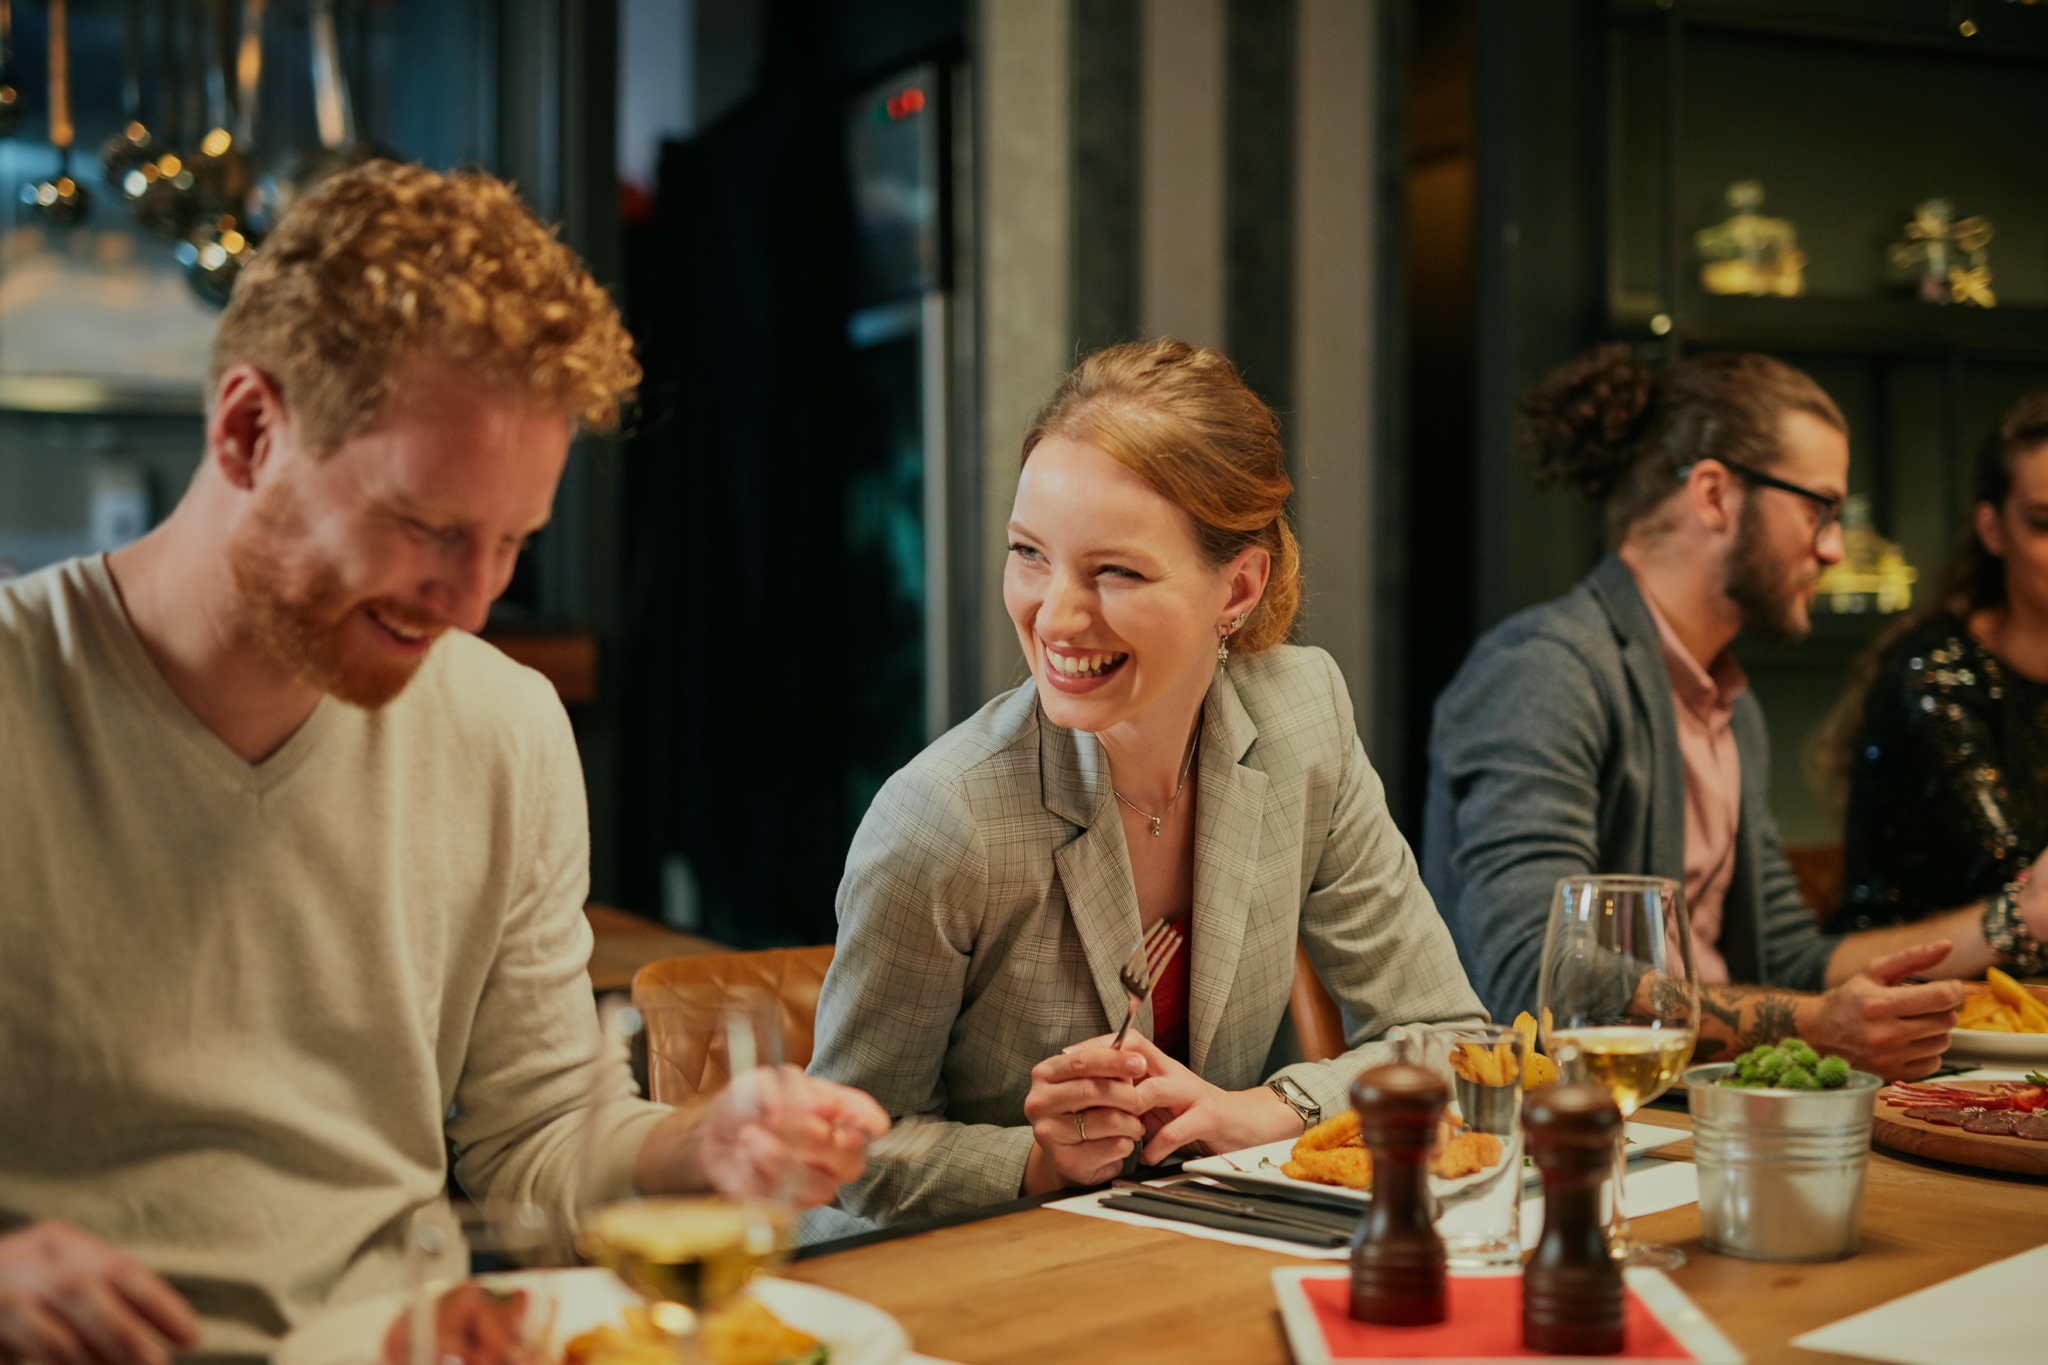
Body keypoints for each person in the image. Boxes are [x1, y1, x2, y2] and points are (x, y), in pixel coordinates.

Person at [0, 162, 886, 1365]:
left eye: (511, 542)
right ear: (250, 430)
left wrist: (703, 1148)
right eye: (427, 528)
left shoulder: (501, 728)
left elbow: (539, 1138)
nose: (471, 604)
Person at [806, 340, 1487, 1235]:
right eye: (1029, 554)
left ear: (1238, 585)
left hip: (1201, 1259)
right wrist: (1033, 1158)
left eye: (1115, 571)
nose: (1054, 613)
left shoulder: (1302, 719)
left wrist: (1272, 1110)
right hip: (978, 1289)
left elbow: (1452, 1041)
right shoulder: (946, 815)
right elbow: (845, 1150)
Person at [1423, 344, 1993, 1083]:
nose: (1833, 548)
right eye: (1818, 508)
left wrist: (2013, 919)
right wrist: (1818, 1026)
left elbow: (1789, 961)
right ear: (1716, 495)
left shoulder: (1730, 707)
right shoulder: (1545, 669)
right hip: (1560, 1132)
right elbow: (1532, 973)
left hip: (1693, 1111)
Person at [1819, 392, 2048, 975]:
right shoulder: (1938, 673)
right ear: (1993, 530)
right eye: (2045, 523)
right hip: (1912, 1017)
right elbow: (2021, 884)